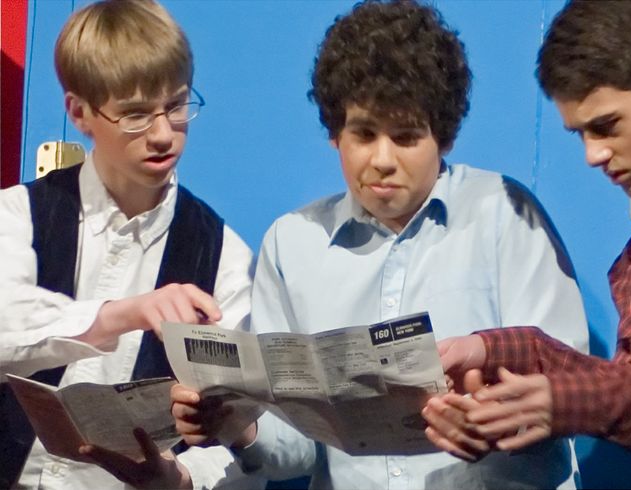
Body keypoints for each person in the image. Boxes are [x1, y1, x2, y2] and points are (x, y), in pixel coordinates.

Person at [171, 1, 590, 488]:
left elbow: (567, 383)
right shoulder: (293, 243)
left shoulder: (505, 214)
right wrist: (237, 426)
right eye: (364, 134)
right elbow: (298, 444)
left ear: (444, 137)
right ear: (335, 134)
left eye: (406, 136)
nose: (383, 160)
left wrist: (492, 420)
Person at [0, 1, 265, 489]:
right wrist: (123, 314)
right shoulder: (19, 214)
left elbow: (247, 437)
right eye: (136, 115)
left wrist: (180, 477)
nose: (163, 135)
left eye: (177, 106)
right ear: (79, 112)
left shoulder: (222, 254)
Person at [421, 0, 631, 459]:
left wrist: (564, 400)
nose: (593, 154)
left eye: (606, 126)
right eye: (580, 134)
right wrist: (493, 354)